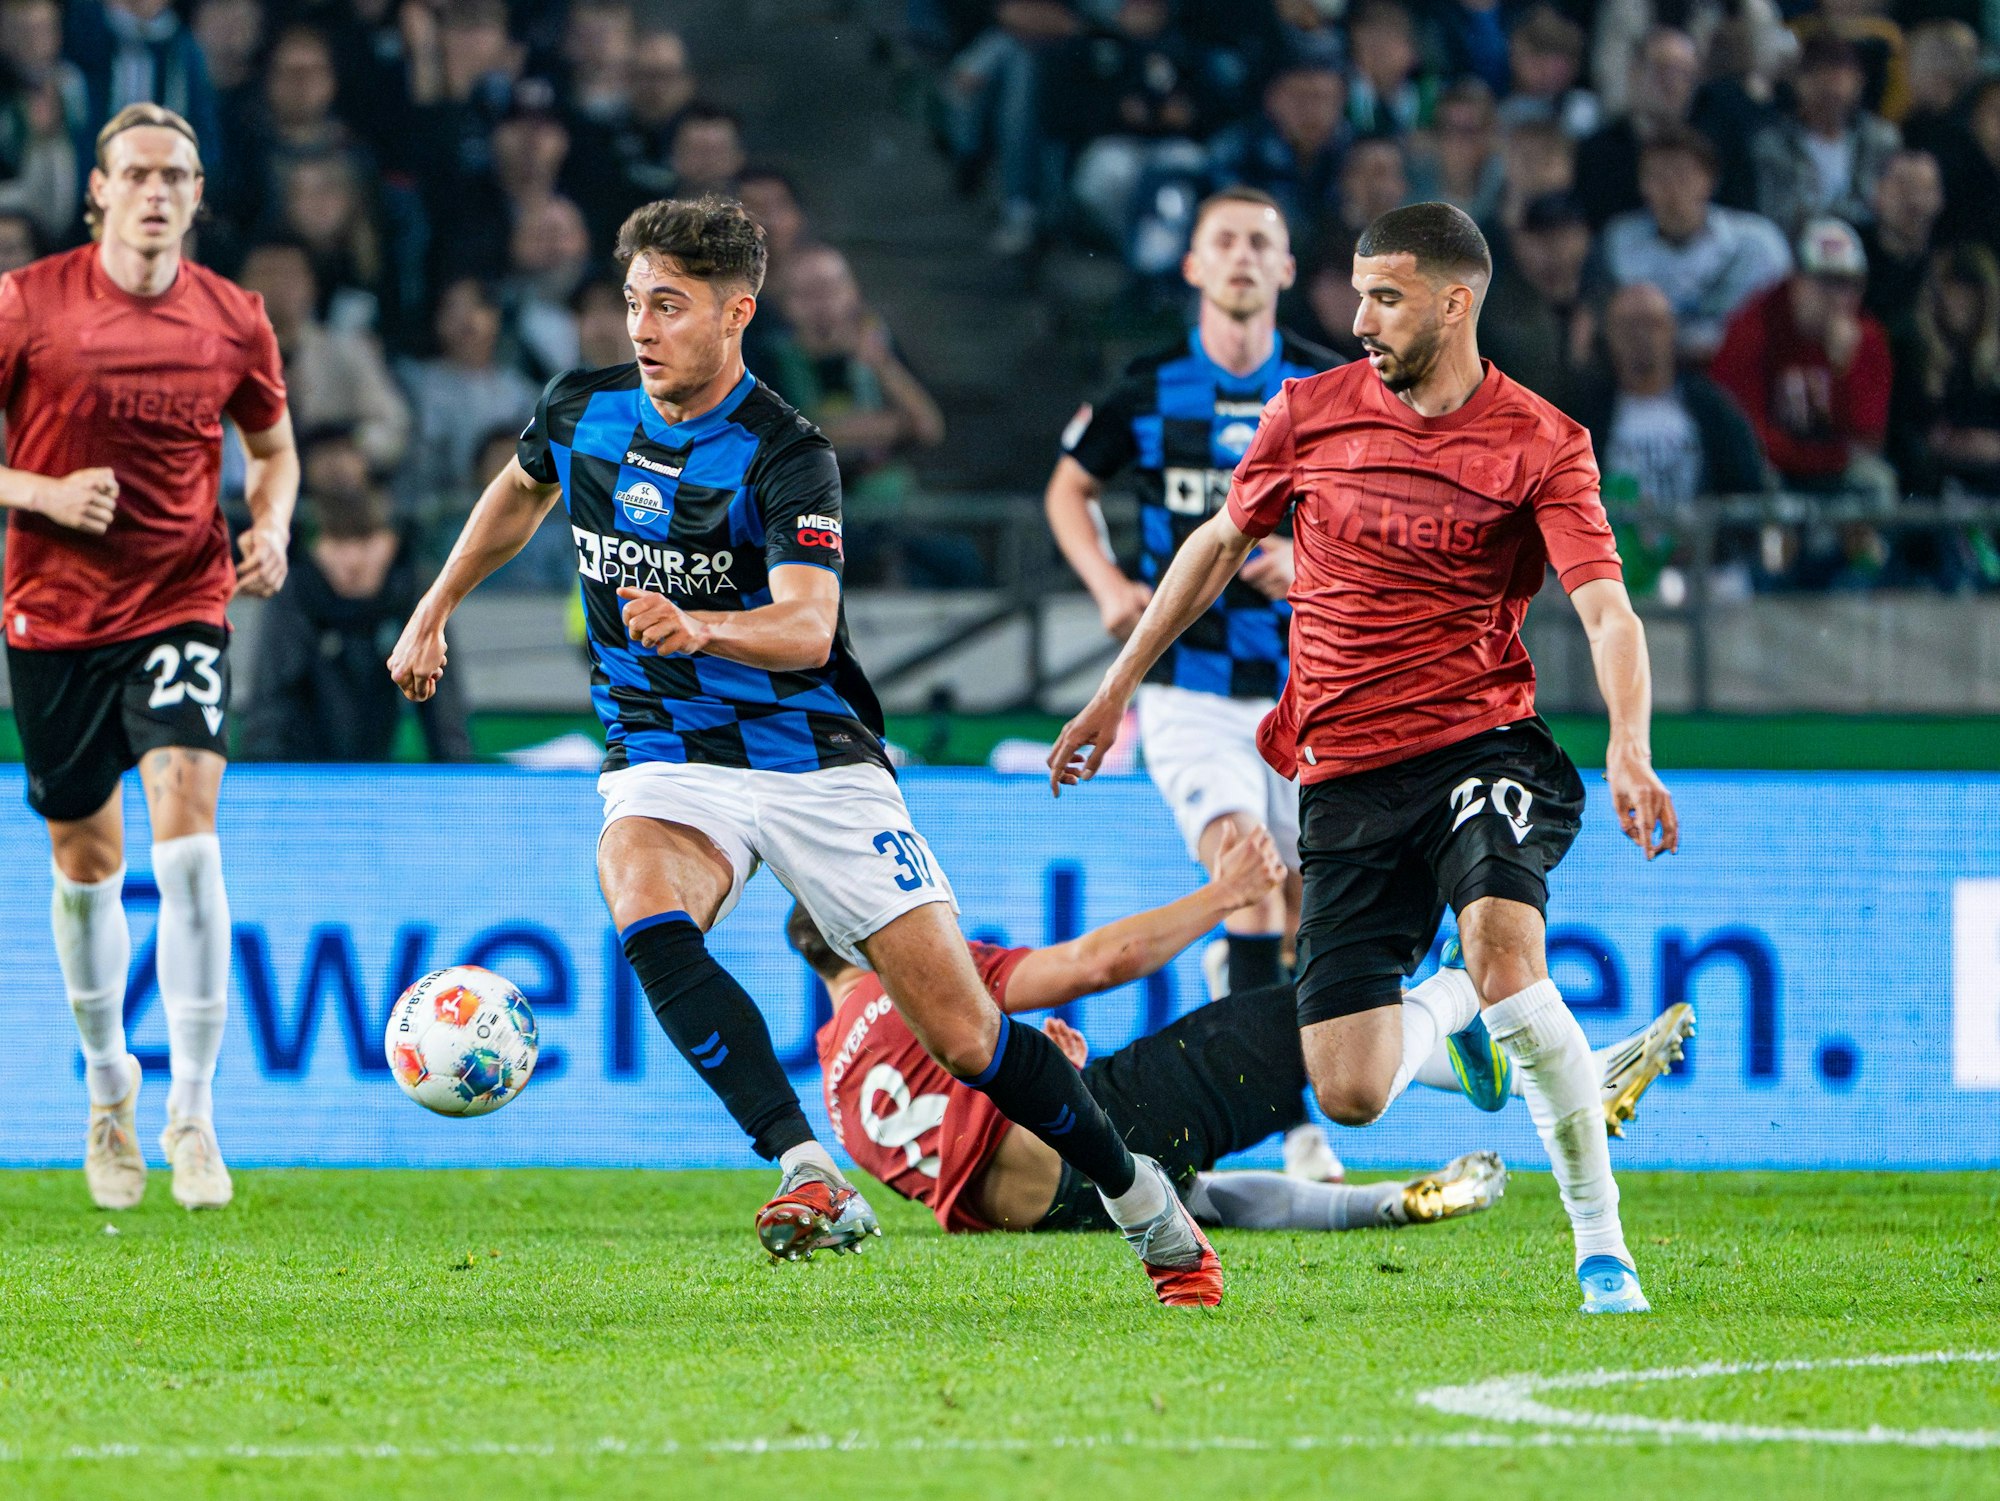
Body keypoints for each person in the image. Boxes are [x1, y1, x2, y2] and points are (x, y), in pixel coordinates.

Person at [388, 195, 1228, 1306]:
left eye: (671, 307)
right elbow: (518, 491)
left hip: (810, 758)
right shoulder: (581, 409)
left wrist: (702, 627)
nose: (642, 328)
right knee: (639, 893)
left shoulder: (786, 452)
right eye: (635, 302)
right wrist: (436, 602)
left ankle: (1147, 1210)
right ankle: (805, 1167)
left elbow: (805, 625)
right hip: (662, 746)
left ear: (737, 313)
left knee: (971, 1036)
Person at [1050, 201, 1680, 1317]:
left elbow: (1607, 612)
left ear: (1455, 301)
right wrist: (1110, 693)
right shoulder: (1309, 411)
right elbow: (1212, 546)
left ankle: (1602, 1252)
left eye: (1383, 297)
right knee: (1345, 1093)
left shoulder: (1541, 439)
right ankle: (1449, 1017)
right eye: (1355, 294)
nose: (1357, 320)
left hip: (1479, 746)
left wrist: (1629, 746)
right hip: (1340, 771)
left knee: (1505, 950)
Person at [800, 829, 1693, 1238]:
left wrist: (1038, 1077)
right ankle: (1532, 1054)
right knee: (1323, 1017)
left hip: (1039, 1214)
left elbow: (952, 1148)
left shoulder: (839, 1093)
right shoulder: (916, 977)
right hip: (1081, 1145)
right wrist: (1223, 897)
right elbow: (1095, 962)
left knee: (1202, 1195)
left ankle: (1389, 1201)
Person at [0, 103, 298, 1212]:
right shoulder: (29, 304)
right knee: (87, 865)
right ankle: (108, 1089)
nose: (158, 190)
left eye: (177, 173)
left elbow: (273, 450)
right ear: (99, 190)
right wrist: (39, 493)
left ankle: (196, 1112)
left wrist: (268, 526)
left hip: (182, 599)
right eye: (138, 173)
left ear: (197, 193)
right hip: (52, 614)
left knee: (187, 852)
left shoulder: (234, 318)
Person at [1045, 186, 1336, 1017]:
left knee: (1304, 917)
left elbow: (1376, 516)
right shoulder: (1149, 385)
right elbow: (1068, 490)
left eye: (1259, 242)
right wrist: (1108, 585)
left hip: (1307, 690)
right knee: (1245, 872)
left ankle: (1250, 1015)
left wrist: (1309, 559)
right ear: (1194, 266)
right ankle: (1287, 1124)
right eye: (1226, 241)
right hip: (1188, 684)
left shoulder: (1329, 388)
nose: (1242, 255)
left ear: (1284, 267)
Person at [242, 430, 472, 762]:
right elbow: (268, 711)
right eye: (338, 544)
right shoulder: (296, 592)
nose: (352, 561)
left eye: (365, 542)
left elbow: (446, 720)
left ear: (390, 541)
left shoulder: (411, 592)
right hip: (298, 779)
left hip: (373, 776)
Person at [1710, 216, 1891, 493]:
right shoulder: (1753, 327)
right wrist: (1820, 459)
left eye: (1849, 284)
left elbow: (1867, 438)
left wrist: (1844, 369)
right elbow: (1741, 431)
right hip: (1774, 468)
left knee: (1876, 481)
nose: (1838, 298)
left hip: (1834, 468)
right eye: (1825, 282)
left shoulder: (1867, 337)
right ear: (1796, 280)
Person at [1600, 125, 1793, 364]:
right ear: (1642, 185)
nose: (1671, 188)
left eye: (1682, 174)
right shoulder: (1621, 241)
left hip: (1745, 370)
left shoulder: (1758, 243)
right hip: (1655, 374)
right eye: (1658, 176)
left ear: (1709, 181)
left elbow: (1786, 321)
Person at [1750, 33, 1900, 238]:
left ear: (1859, 84)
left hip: (1868, 248)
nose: (1832, 87)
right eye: (1822, 74)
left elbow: (1887, 207)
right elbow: (1779, 213)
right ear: (1799, 82)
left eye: (1841, 77)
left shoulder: (1881, 140)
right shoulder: (1772, 144)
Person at [1860, 149, 1943, 335]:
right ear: (1877, 192)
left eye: (1924, 189)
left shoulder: (1946, 268)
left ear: (1940, 199)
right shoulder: (1850, 252)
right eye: (1902, 186)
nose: (1914, 200)